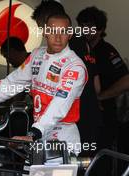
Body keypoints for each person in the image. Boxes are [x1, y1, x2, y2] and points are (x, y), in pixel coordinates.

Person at [0, 13, 88, 155]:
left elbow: (59, 104)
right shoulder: (37, 55)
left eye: (63, 32)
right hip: (38, 135)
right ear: (44, 32)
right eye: (52, 31)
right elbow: (11, 84)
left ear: (70, 35)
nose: (57, 37)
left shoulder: (74, 66)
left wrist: (33, 133)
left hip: (61, 136)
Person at [31, 0, 102, 157]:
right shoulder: (81, 39)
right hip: (89, 113)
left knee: (67, 164)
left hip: (70, 119)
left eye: (41, 26)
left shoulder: (64, 47)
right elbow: (96, 85)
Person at [77, 6, 129, 175]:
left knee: (101, 163)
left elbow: (126, 80)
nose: (85, 30)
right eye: (82, 25)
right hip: (83, 119)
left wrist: (101, 96)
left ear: (100, 29)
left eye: (90, 26)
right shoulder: (78, 50)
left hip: (105, 120)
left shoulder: (107, 52)